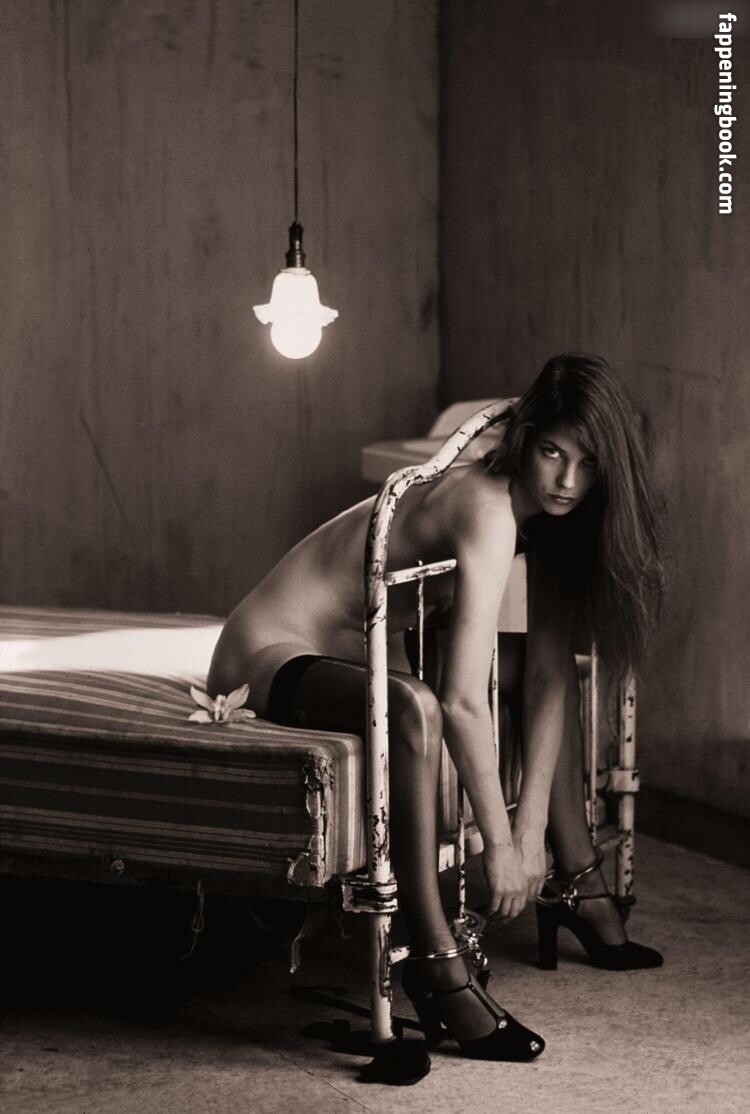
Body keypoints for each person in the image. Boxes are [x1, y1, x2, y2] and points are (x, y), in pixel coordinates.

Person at [207, 352, 665, 1062]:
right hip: (265, 654)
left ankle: (577, 881)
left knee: (547, 670)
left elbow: (547, 674)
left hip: (355, 655)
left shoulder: (548, 517)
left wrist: (534, 830)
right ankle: (434, 962)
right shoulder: (487, 505)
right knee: (415, 709)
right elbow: (461, 700)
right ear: (526, 440)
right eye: (552, 453)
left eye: (588, 464)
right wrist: (501, 848)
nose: (568, 481)